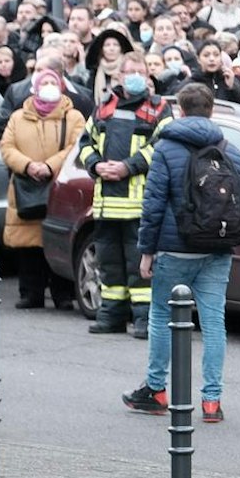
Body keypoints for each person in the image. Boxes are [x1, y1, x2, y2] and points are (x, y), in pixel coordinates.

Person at [127, 83, 240, 424]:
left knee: (161, 317)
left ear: (180, 110)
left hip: (174, 247)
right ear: (212, 111)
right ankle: (212, 400)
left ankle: (156, 389)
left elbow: (152, 204)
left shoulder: (165, 148)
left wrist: (146, 250)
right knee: (213, 322)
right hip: (217, 247)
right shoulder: (231, 150)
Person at [76, 54, 172, 337]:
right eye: (128, 71)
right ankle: (111, 315)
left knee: (138, 265)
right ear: (118, 76)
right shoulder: (104, 107)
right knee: (109, 263)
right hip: (106, 204)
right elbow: (85, 143)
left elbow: (162, 146)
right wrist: (95, 164)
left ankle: (143, 318)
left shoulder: (160, 110)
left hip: (139, 205)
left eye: (139, 71)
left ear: (148, 75)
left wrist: (128, 167)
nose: (133, 75)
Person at [0, 68, 84, 310]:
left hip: (57, 186)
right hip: (26, 186)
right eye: (43, 81)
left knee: (57, 241)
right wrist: (28, 166)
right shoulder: (18, 116)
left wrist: (49, 166)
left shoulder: (73, 116)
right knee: (29, 245)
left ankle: (63, 294)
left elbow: (75, 146)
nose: (48, 85)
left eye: (52, 81)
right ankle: (30, 293)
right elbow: (7, 146)